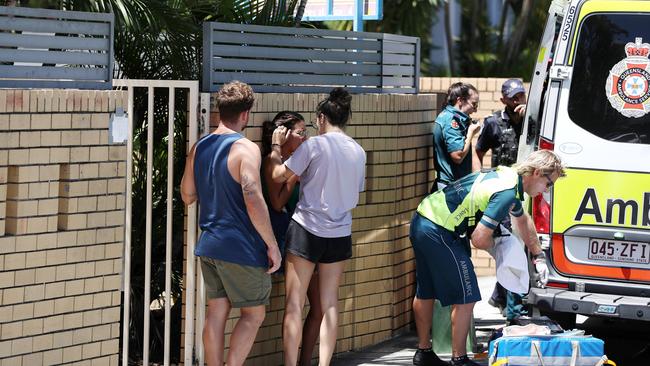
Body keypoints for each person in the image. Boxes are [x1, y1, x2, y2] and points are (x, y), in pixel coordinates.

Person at [410, 150, 563, 366]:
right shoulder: (507, 192)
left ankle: (424, 353)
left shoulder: (508, 176)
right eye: (549, 184)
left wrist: (538, 255)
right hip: (440, 229)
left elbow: (522, 220)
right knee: (467, 295)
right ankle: (459, 359)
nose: (547, 191)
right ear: (537, 173)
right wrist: (500, 247)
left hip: (423, 218)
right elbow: (479, 238)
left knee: (426, 290)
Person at [180, 81, 282, 366]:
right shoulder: (245, 148)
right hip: (241, 247)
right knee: (254, 314)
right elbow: (251, 194)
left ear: (219, 111)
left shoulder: (199, 147)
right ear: (246, 114)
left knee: (216, 313)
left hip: (209, 246)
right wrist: (272, 244)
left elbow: (187, 194)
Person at [269, 88, 366, 366]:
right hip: (340, 232)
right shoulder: (358, 151)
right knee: (329, 304)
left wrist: (276, 148)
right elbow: (356, 191)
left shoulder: (314, 146)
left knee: (295, 303)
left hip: (306, 229)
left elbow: (277, 175)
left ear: (321, 118)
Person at [260, 111, 323, 366]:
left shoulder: (301, 159)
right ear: (284, 135)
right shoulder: (272, 163)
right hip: (288, 239)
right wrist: (296, 174)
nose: (305, 137)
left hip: (310, 235)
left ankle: (305, 362)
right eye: (300, 132)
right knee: (295, 305)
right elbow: (276, 203)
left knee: (318, 308)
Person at [475, 78, 528, 322]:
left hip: (528, 190)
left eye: (521, 96)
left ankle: (500, 296)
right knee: (513, 247)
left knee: (516, 248)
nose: (518, 101)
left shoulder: (534, 120)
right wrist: (479, 179)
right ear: (503, 100)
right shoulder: (494, 122)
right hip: (503, 193)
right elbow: (478, 151)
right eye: (514, 97)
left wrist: (529, 118)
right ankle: (513, 309)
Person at [432, 82, 482, 192]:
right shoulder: (451, 121)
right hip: (450, 187)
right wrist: (471, 133)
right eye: (474, 104)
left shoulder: (456, 118)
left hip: (457, 184)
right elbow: (457, 156)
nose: (475, 110)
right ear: (460, 101)